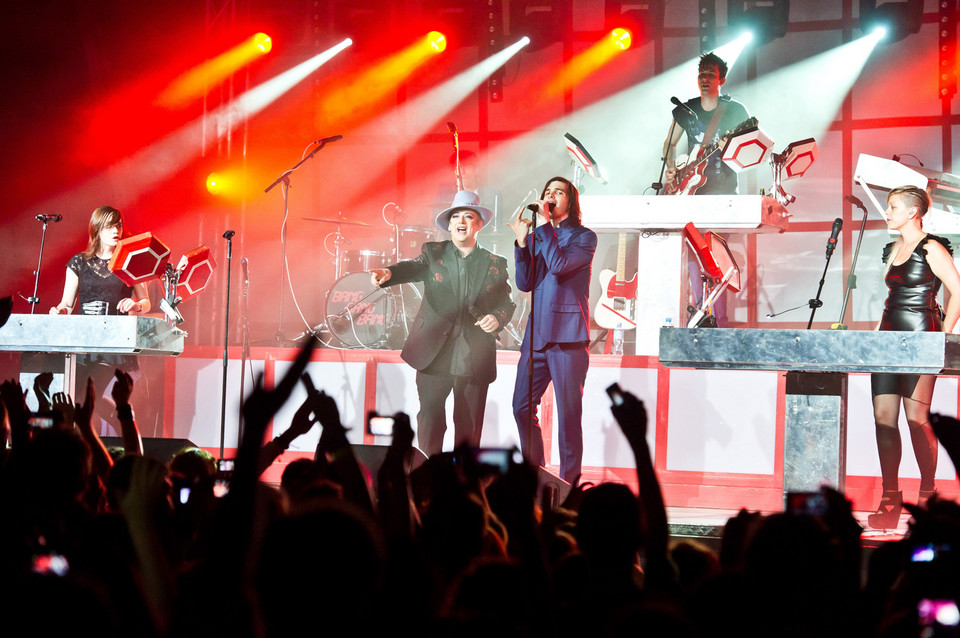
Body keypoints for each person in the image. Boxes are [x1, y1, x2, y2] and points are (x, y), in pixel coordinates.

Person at [369, 190, 516, 457]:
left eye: (468, 216)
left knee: (469, 433)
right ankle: (426, 483)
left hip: (474, 356)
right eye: (456, 216)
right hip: (433, 354)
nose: (461, 221)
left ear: (478, 224)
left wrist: (497, 318)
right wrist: (390, 273)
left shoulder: (495, 263)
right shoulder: (433, 252)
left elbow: (507, 303)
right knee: (430, 424)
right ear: (448, 225)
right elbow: (412, 267)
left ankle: (463, 489)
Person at [867, 185, 960, 529]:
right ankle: (890, 498)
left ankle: (927, 495)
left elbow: (957, 288)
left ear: (912, 212)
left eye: (892, 207)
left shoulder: (931, 247)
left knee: (916, 417)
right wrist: (876, 334)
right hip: (888, 339)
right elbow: (892, 297)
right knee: (883, 417)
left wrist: (944, 335)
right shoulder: (893, 248)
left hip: (923, 336)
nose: (887, 213)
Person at [507, 176, 597, 484]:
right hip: (537, 337)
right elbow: (525, 283)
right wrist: (521, 242)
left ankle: (570, 485)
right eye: (547, 191)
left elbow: (559, 266)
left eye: (557, 192)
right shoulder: (539, 237)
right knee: (520, 406)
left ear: (570, 201)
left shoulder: (584, 237)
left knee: (568, 417)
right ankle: (536, 476)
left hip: (569, 338)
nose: (550, 196)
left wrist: (544, 226)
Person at [49, 205, 151, 431]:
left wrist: (135, 304)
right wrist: (60, 311)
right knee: (76, 398)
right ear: (96, 230)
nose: (116, 230)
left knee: (86, 395)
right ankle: (124, 426)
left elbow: (146, 302)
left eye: (119, 225)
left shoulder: (129, 262)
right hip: (82, 339)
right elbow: (67, 303)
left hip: (113, 341)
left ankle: (124, 428)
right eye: (109, 226)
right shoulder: (78, 262)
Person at [662, 51, 751, 196]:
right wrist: (671, 167)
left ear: (722, 80)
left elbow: (750, 152)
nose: (705, 79)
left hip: (724, 190)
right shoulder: (686, 109)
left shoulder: (736, 110)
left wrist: (730, 149)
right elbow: (669, 143)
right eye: (702, 74)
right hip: (689, 190)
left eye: (711, 75)